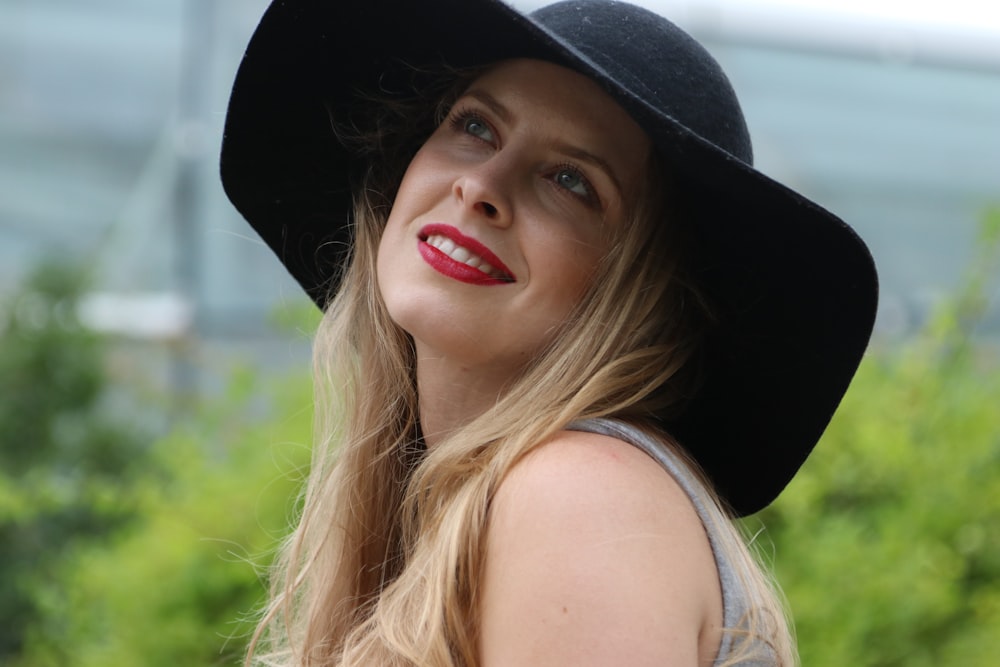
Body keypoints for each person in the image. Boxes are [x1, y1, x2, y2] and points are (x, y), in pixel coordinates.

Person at [220, 0, 878, 665]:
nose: (481, 185)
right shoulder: (487, 507)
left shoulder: (581, 495)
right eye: (475, 125)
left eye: (571, 181)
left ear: (643, 294)